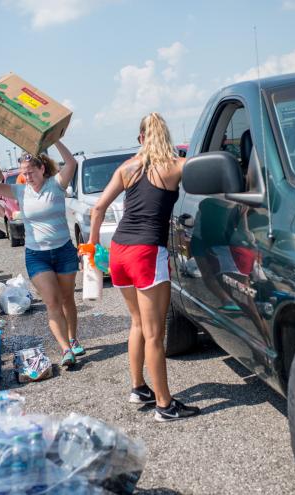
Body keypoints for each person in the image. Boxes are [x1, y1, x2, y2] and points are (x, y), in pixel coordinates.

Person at [89, 112, 200, 422]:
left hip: (119, 252)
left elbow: (98, 208)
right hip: (146, 253)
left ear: (140, 139)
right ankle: (165, 405)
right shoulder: (177, 166)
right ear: (166, 139)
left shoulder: (127, 168)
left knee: (137, 323)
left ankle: (139, 387)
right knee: (154, 333)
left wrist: (92, 247)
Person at [0, 141, 82, 368]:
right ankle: (65, 349)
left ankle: (73, 337)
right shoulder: (20, 191)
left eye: (31, 172)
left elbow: (71, 162)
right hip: (37, 255)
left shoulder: (57, 184)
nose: (28, 176)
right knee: (52, 302)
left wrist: (55, 139)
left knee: (68, 299)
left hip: (63, 251)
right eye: (24, 173)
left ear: (42, 169)